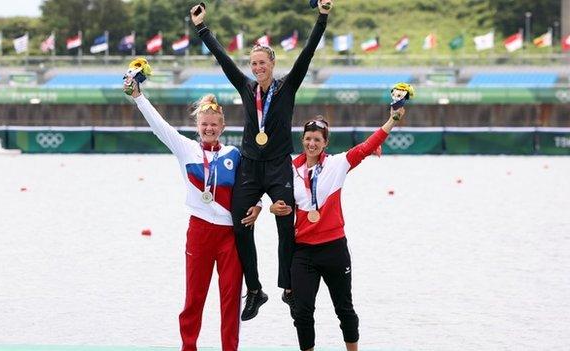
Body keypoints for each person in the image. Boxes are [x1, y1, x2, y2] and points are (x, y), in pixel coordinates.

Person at [190, 0, 332, 321]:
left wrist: (322, 17)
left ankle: (289, 288)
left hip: (280, 167)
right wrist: (202, 28)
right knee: (241, 224)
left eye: (261, 63)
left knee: (286, 225)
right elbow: (223, 61)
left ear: (272, 62)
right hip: (250, 167)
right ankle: (254, 290)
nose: (257, 68)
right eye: (253, 64)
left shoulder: (287, 87)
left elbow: (308, 52)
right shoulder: (246, 87)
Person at [125, 80, 262, 351]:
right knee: (194, 298)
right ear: (198, 127)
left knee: (230, 298)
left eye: (214, 124)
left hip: (229, 236)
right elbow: (159, 126)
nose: (209, 129)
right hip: (199, 232)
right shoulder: (185, 149)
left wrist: (258, 204)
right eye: (204, 125)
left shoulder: (233, 154)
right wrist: (139, 97)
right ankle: (188, 347)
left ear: (222, 127)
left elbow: (251, 185)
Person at [269, 107, 406, 351]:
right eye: (308, 139)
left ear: (325, 143)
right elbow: (271, 191)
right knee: (301, 312)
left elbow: (365, 147)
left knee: (344, 309)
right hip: (303, 252)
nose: (312, 143)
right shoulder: (289, 169)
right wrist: (272, 208)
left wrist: (392, 120)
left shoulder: (337, 164)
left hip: (334, 249)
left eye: (317, 140)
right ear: (302, 140)